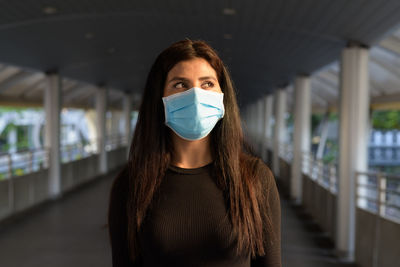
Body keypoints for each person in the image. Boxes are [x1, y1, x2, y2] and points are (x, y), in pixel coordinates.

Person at [108, 39, 281, 267]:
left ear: (222, 95)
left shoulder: (255, 179)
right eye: (180, 85)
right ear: (159, 98)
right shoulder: (132, 184)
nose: (196, 96)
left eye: (207, 84)